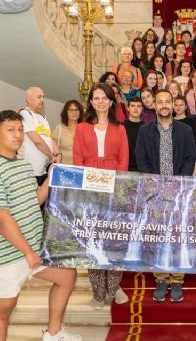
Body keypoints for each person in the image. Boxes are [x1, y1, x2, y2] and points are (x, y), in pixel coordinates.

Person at [0, 110, 81, 341]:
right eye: (10, 130)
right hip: (4, 254)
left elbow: (33, 200)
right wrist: (27, 252)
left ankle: (53, 333)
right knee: (2, 310)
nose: (17, 135)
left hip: (30, 249)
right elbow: (2, 219)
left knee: (66, 277)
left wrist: (50, 178)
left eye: (20, 130)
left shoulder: (22, 165)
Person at [135, 90, 196, 302]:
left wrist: (180, 183)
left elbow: (190, 157)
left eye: (167, 102)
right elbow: (140, 159)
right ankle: (161, 278)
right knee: (158, 236)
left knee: (178, 237)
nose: (163, 105)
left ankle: (177, 279)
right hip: (155, 193)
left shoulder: (186, 130)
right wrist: (154, 184)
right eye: (159, 102)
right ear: (154, 106)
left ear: (173, 104)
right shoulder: (145, 131)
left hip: (179, 191)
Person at [73, 83, 129, 309]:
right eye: (96, 98)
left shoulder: (120, 128)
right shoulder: (82, 128)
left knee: (114, 241)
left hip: (114, 189)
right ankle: (98, 292)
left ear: (111, 101)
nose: (100, 102)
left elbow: (123, 160)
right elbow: (78, 159)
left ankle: (114, 287)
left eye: (104, 98)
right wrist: (86, 187)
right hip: (89, 190)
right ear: (91, 102)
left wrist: (118, 188)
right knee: (93, 241)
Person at [19, 87, 59, 185]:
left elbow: (49, 137)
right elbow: (37, 141)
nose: (42, 100)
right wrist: (51, 156)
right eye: (39, 97)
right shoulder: (24, 113)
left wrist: (58, 154)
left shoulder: (42, 117)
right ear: (29, 99)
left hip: (43, 169)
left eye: (43, 97)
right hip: (30, 170)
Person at [51, 100, 84, 165]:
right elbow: (54, 150)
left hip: (81, 167)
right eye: (71, 110)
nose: (74, 112)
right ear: (66, 112)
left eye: (77, 110)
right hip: (63, 168)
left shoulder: (85, 129)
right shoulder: (59, 128)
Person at [123, 96, 144, 172]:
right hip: (125, 168)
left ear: (142, 109)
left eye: (138, 106)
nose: (135, 109)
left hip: (142, 169)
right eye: (132, 106)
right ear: (128, 108)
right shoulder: (122, 126)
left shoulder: (146, 128)